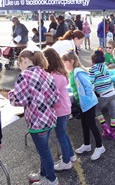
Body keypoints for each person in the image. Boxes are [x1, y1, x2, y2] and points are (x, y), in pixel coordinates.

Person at [8, 46, 60, 185]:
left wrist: (10, 94)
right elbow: (56, 98)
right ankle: (43, 174)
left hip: (37, 122)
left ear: (24, 60)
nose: (19, 66)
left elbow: (18, 100)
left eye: (19, 63)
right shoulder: (46, 74)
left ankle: (52, 180)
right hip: (49, 119)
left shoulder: (25, 76)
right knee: (44, 150)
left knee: (44, 152)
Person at [62, 49, 105, 160]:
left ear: (71, 61)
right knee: (84, 125)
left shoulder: (78, 72)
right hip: (82, 104)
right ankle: (87, 145)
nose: (64, 64)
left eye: (65, 62)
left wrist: (85, 98)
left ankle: (100, 147)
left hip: (88, 103)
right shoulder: (72, 73)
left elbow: (89, 86)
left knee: (91, 125)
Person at [43, 48, 76, 171]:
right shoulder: (58, 73)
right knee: (62, 134)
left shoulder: (55, 76)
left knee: (60, 135)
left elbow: (52, 95)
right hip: (64, 108)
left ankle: (66, 161)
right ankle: (70, 155)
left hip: (60, 110)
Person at [89, 48, 115, 139]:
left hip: (104, 94)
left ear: (93, 60)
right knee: (112, 112)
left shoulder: (93, 69)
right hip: (112, 92)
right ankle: (112, 132)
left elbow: (91, 82)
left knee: (97, 110)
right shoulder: (105, 66)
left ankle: (106, 129)